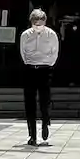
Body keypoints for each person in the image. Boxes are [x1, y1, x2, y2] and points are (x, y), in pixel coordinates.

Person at [19, 8, 59, 146]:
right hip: (30, 68)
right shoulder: (25, 35)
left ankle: (45, 122)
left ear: (45, 22)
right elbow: (23, 53)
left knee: (44, 101)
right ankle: (32, 135)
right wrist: (30, 63)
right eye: (35, 24)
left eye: (40, 24)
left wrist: (47, 64)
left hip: (45, 69)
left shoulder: (51, 35)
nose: (38, 26)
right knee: (29, 102)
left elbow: (54, 53)